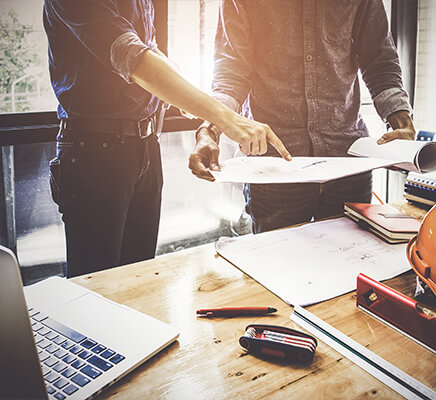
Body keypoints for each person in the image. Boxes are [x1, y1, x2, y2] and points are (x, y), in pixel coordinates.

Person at [43, 0, 291, 277]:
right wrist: (226, 118)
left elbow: (152, 53)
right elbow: (134, 58)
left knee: (139, 278)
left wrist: (199, 107)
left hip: (146, 145)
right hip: (93, 151)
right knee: (96, 284)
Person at [189, 0, 416, 233]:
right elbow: (231, 75)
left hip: (348, 159)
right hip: (274, 167)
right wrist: (210, 129)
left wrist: (402, 122)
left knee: (350, 262)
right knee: (276, 265)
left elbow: (380, 62)